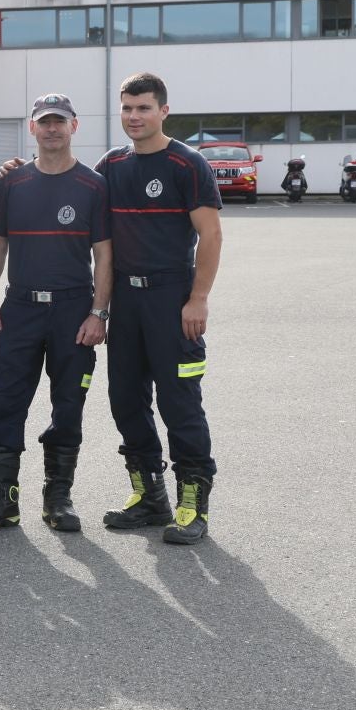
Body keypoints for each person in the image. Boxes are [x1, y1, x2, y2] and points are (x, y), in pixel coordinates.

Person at [0, 93, 110, 533]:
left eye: (59, 122)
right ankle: (2, 501)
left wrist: (99, 313)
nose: (52, 129)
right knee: (5, 402)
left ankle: (58, 498)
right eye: (44, 122)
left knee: (68, 406)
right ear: (32, 128)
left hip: (73, 308)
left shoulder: (93, 185)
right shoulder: (13, 182)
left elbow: (105, 255)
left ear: (73, 127)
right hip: (21, 307)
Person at [95, 72, 223, 543]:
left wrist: (198, 298)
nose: (134, 116)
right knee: (125, 400)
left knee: (179, 403)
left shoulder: (187, 165)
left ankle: (193, 504)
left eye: (143, 108)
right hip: (126, 300)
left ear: (163, 111)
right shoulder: (111, 165)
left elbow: (210, 235)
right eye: (127, 108)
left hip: (172, 298)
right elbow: (70, 189)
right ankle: (150, 496)